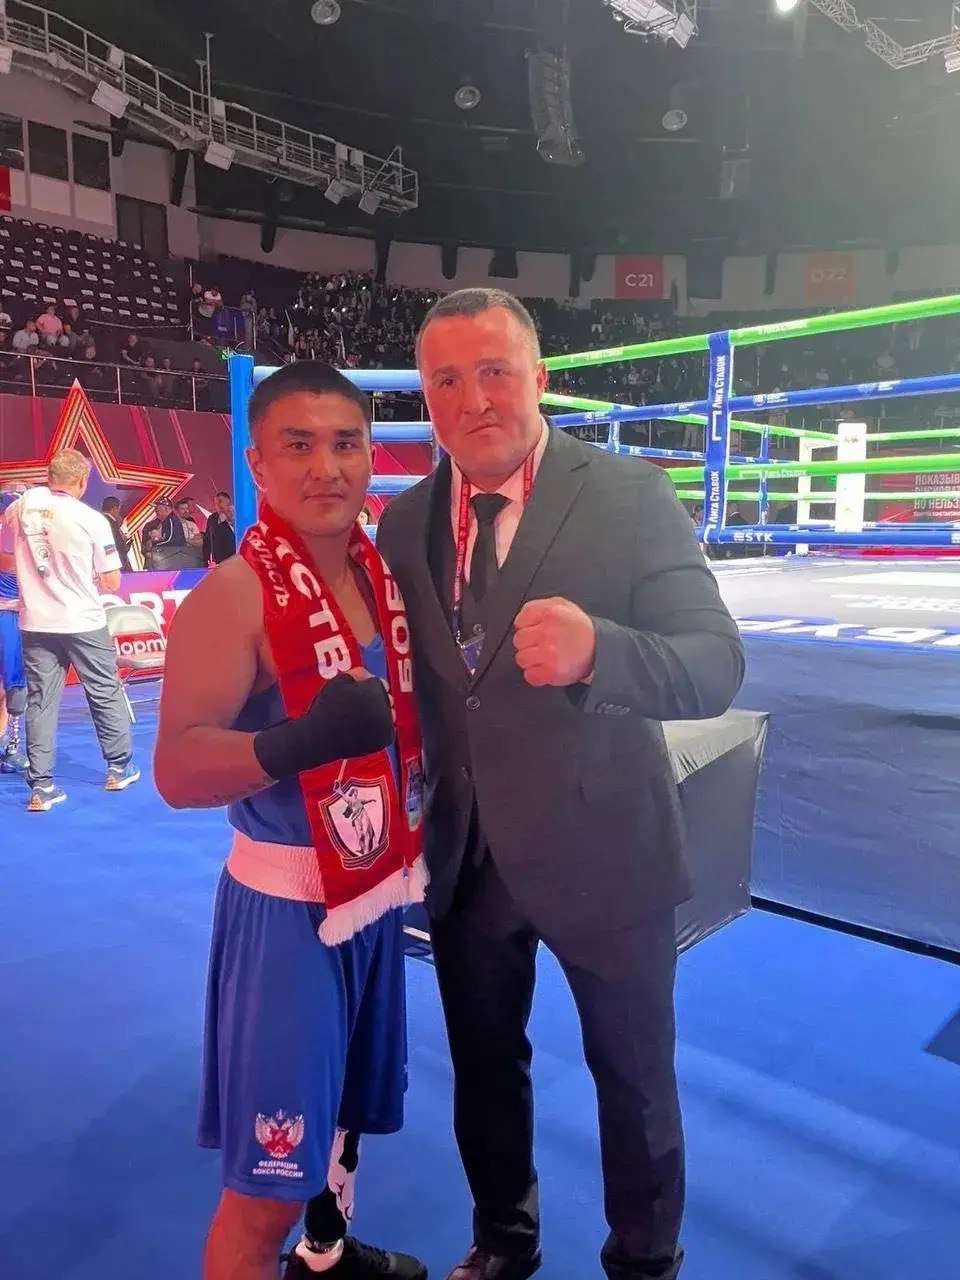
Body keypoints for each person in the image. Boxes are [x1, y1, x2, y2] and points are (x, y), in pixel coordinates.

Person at [376, 289, 746, 1280]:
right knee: (484, 1071)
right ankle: (505, 1240)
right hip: (468, 858)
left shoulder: (627, 493)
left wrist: (601, 653)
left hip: (606, 851)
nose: (473, 399)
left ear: (539, 376)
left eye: (495, 371)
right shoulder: (404, 521)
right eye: (446, 380)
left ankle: (644, 1261)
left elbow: (716, 662)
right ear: (425, 395)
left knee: (633, 1081)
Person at [153, 362, 428, 1280]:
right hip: (286, 920)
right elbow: (177, 770)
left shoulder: (380, 580)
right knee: (263, 1192)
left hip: (375, 895)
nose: (327, 467)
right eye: (298, 445)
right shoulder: (233, 596)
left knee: (343, 1123)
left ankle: (327, 1256)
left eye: (346, 443)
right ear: (258, 463)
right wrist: (295, 743)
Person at [0, 450, 140, 811]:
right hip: (82, 620)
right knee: (104, 691)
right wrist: (73, 570)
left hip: (36, 621)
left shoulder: (20, 507)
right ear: (81, 482)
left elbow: (4, 558)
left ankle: (41, 786)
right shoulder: (91, 519)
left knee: (41, 701)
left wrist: (37, 569)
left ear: (49, 476)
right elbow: (111, 581)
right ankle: (118, 768)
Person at [0, 483, 28, 773]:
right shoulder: (10, 539)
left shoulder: (28, 538)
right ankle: (7, 747)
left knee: (12, 685)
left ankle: (9, 745)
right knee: (10, 683)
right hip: (7, 616)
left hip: (19, 615)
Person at [203, 490, 237, 565]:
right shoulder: (212, 519)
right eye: (216, 503)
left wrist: (231, 519)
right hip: (219, 561)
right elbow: (207, 540)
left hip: (235, 559)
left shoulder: (238, 515)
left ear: (228, 502)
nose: (219, 505)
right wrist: (206, 560)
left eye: (220, 502)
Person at [101, 496, 133, 572]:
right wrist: (125, 546)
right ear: (114, 508)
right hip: (117, 563)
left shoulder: (100, 520)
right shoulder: (111, 522)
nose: (119, 512)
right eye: (119, 508)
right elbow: (116, 544)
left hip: (105, 563)